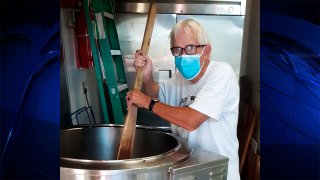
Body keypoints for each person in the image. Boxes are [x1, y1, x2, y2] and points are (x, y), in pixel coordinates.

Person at [126, 19, 240, 180]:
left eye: (190, 48)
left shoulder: (222, 73)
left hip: (217, 172)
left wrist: (147, 102)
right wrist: (147, 75)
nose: (183, 55)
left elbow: (191, 120)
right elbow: (155, 93)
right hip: (188, 169)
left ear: (206, 51)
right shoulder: (179, 79)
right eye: (177, 50)